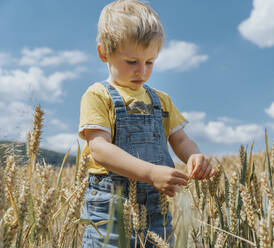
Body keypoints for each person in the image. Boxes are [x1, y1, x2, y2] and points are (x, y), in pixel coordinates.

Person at [78, 0, 215, 247]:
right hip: (110, 207)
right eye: (132, 62)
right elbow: (99, 148)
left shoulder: (161, 100)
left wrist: (194, 156)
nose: (142, 70)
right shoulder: (98, 95)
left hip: (156, 208)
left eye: (150, 61)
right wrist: (151, 173)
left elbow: (180, 139)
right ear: (103, 53)